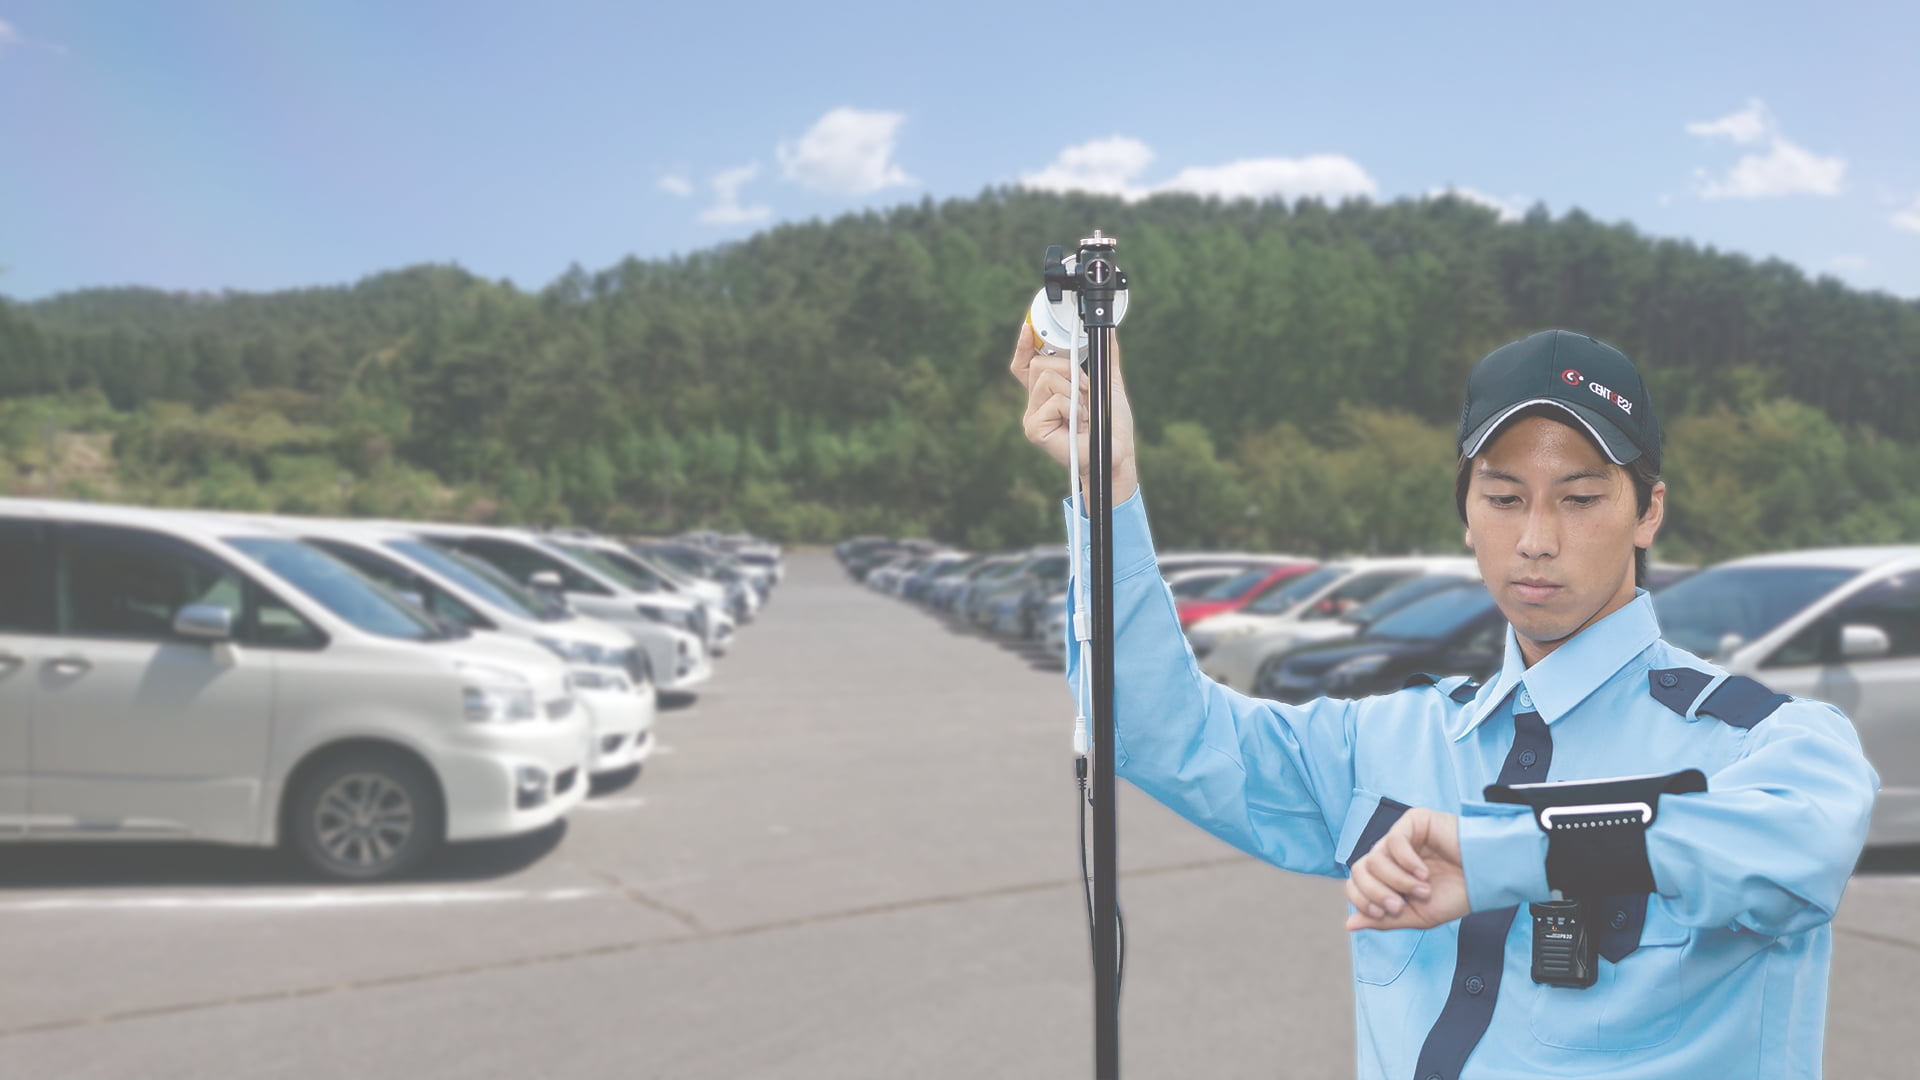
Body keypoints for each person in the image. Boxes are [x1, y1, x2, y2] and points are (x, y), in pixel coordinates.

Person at [1011, 324, 1878, 1080]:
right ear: (1465, 513)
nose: (1536, 540)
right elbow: (1160, 729)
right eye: (1503, 498)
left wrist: (1508, 856)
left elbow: (1802, 845)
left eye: (1580, 498)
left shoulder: (1764, 742)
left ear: (1648, 511)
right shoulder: (1385, 739)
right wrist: (1107, 483)